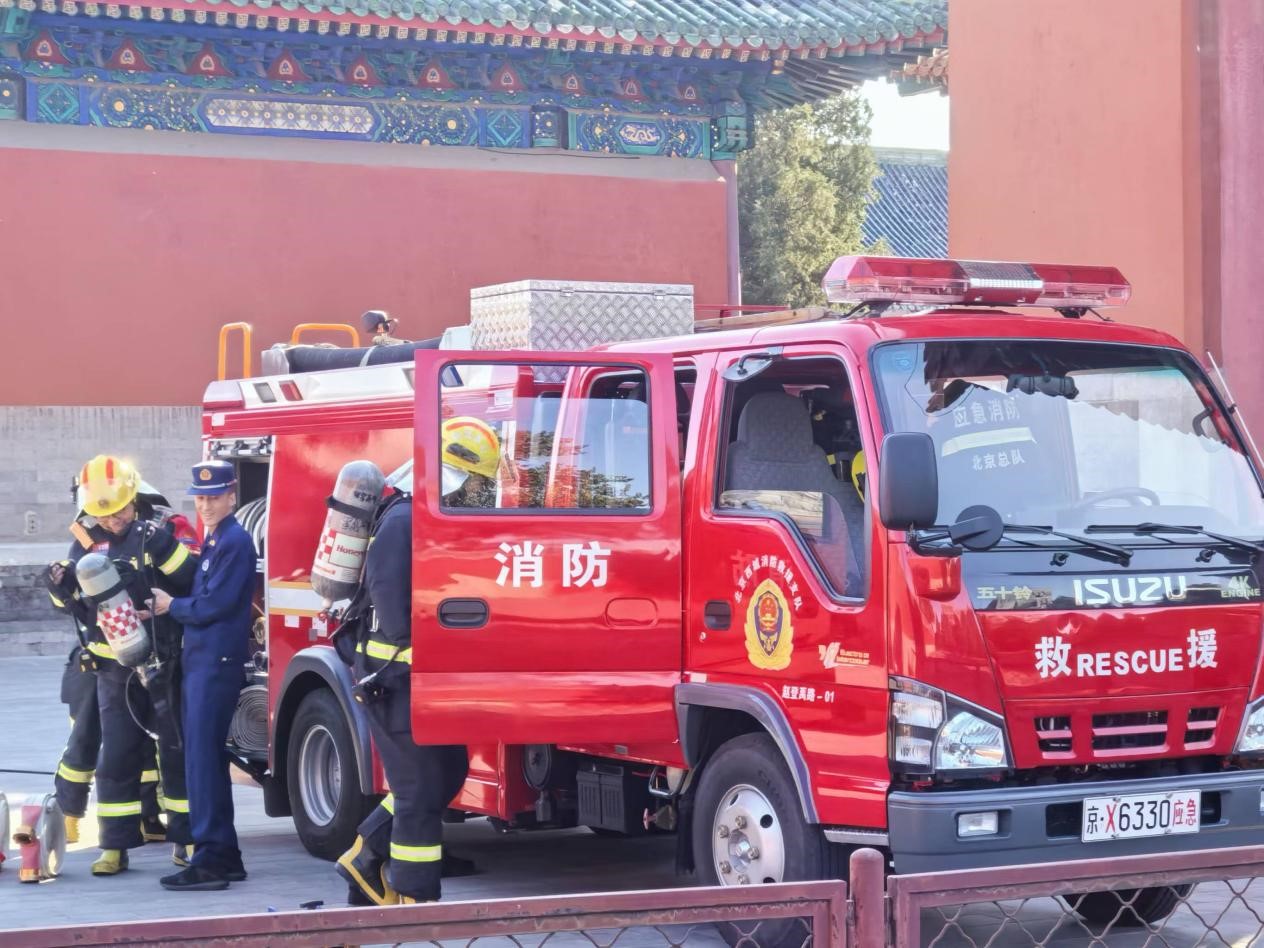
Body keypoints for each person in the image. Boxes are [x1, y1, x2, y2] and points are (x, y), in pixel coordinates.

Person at [335, 422, 512, 906]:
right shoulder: (401, 520)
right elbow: (396, 617)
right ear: (456, 476)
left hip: (419, 680)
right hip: (392, 678)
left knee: (448, 770)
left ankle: (364, 856)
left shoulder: (427, 518)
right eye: (477, 483)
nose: (480, 493)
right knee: (417, 789)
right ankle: (415, 898)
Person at [45, 455, 198, 876]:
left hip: (163, 663)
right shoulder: (85, 542)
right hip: (112, 670)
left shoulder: (156, 537)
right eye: (104, 514)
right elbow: (70, 605)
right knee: (116, 757)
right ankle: (114, 846)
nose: (112, 520)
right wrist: (58, 586)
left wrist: (161, 583)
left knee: (175, 754)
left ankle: (187, 839)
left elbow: (191, 582)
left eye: (120, 511)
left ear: (134, 500)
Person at [152, 460, 257, 891]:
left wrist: (170, 606)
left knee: (203, 760)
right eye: (200, 498)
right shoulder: (216, 538)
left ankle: (211, 859)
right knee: (204, 760)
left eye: (214, 498)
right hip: (203, 662)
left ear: (231, 496)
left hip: (215, 664)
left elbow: (216, 604)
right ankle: (224, 856)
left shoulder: (234, 541)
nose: (206, 506)